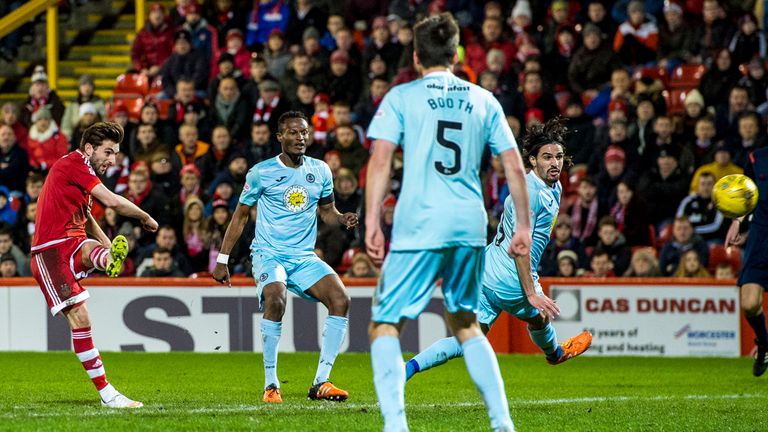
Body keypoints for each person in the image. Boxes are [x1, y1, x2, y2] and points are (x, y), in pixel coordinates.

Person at [364, 14, 532, 432]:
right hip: (469, 223)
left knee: (384, 324)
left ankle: (396, 425)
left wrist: (371, 220)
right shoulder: (484, 99)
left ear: (417, 56)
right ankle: (502, 423)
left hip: (419, 222)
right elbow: (512, 165)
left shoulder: (401, 97)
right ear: (456, 55)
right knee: (466, 323)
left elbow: (381, 159)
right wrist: (524, 226)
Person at [406, 118, 592, 382]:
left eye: (559, 156)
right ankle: (555, 353)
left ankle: (406, 369)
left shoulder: (554, 186)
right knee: (539, 317)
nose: (554, 163)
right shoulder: (529, 193)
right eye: (547, 157)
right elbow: (520, 247)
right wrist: (530, 292)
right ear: (532, 161)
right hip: (510, 279)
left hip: (486, 268)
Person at [212, 111, 357, 403]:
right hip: (269, 253)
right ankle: (271, 385)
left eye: (303, 133)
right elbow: (240, 216)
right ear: (280, 137)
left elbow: (327, 211)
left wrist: (342, 219)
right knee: (276, 298)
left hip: (303, 256)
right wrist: (222, 259)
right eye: (292, 133)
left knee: (341, 299)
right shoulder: (261, 172)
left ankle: (321, 382)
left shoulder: (321, 170)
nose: (299, 138)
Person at [30, 122, 158, 408]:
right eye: (108, 152)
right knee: (82, 319)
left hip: (71, 243)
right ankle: (107, 393)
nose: (112, 160)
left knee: (90, 250)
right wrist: (145, 217)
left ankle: (106, 257)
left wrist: (107, 245)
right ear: (89, 148)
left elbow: (87, 218)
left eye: (116, 154)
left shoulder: (81, 173)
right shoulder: (74, 163)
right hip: (50, 253)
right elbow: (112, 202)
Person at [725, 146, 768, 377]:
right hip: (761, 237)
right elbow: (746, 194)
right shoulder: (757, 157)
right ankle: (764, 344)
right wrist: (737, 222)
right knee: (749, 303)